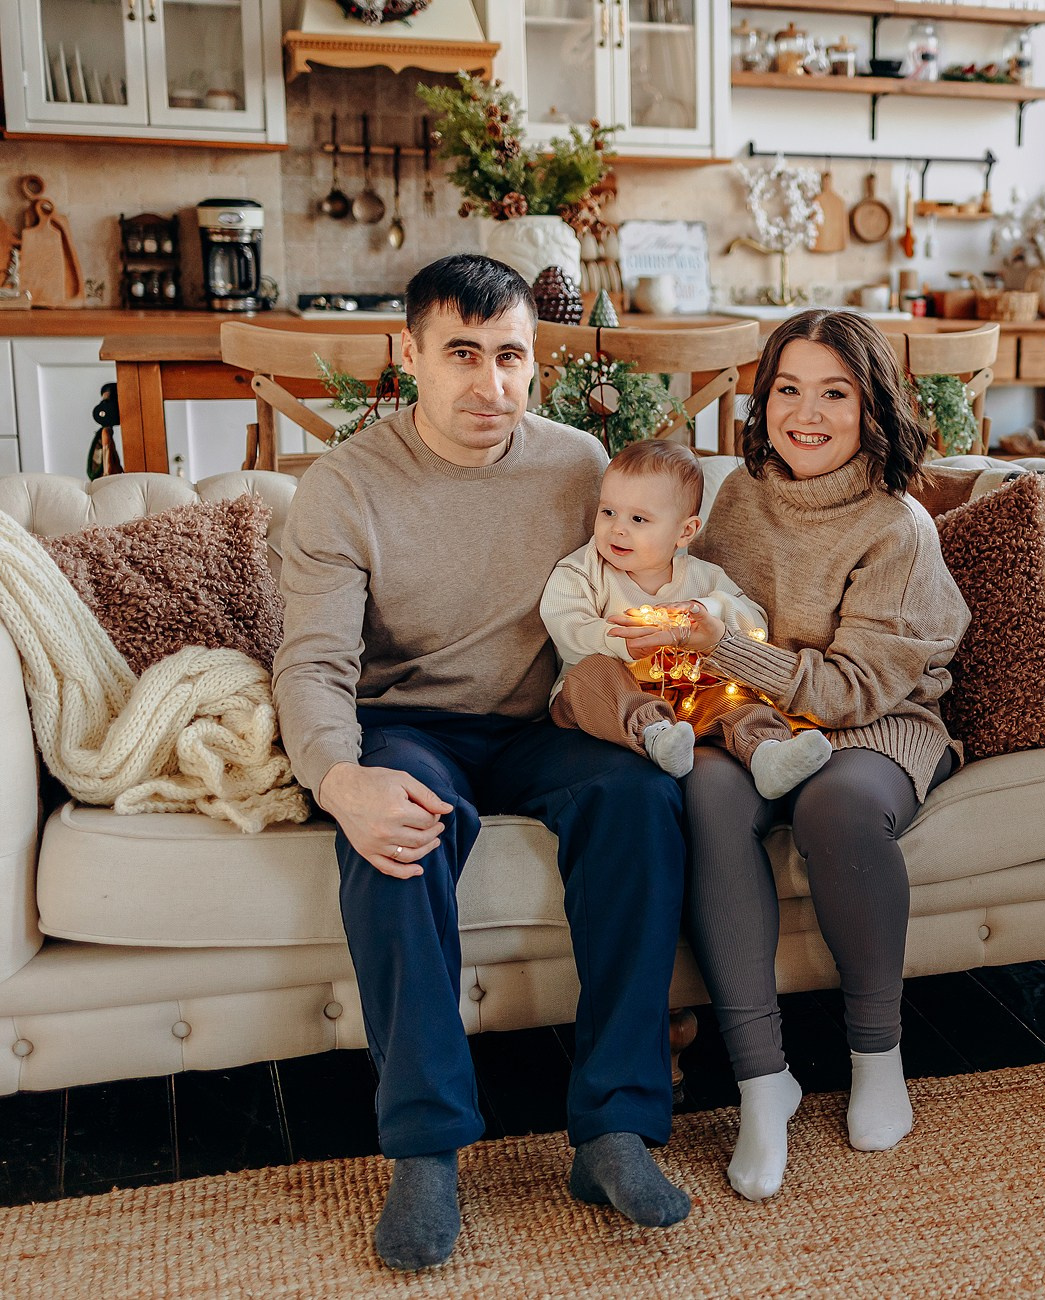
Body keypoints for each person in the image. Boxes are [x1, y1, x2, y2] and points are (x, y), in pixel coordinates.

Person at [271, 254, 691, 1272]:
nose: (490, 384)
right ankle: (426, 1147)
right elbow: (314, 661)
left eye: (511, 356)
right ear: (406, 355)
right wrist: (341, 778)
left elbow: (651, 579)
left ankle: (614, 1128)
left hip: (550, 714)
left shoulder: (582, 468)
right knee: (397, 829)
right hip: (416, 720)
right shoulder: (344, 487)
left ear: (534, 364)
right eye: (462, 353)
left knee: (640, 799)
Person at [572, 309, 970, 1202]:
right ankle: (763, 1082)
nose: (807, 412)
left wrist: (721, 648)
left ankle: (877, 1059)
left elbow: (850, 690)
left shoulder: (899, 527)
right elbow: (691, 604)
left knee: (832, 803)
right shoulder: (742, 495)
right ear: (763, 401)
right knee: (703, 796)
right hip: (753, 722)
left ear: (873, 406)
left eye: (835, 392)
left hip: (877, 722)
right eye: (788, 388)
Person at [541, 438, 835, 798]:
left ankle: (766, 754)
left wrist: (710, 609)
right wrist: (616, 639)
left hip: (688, 700)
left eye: (638, 519)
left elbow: (755, 622)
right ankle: (654, 736)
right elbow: (565, 624)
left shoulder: (704, 577)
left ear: (685, 532)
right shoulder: (583, 571)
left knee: (737, 696)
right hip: (604, 699)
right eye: (608, 512)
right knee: (592, 673)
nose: (618, 528)